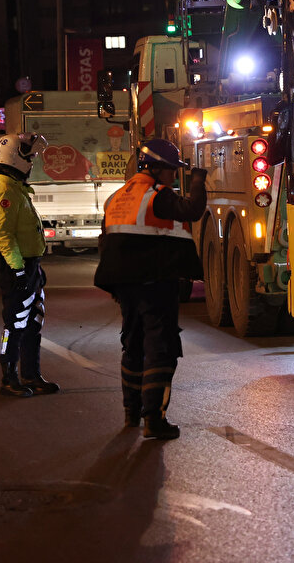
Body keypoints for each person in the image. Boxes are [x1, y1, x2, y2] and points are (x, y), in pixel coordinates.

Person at [94, 139, 206, 440]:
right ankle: (153, 419)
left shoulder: (116, 197)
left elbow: (106, 240)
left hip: (123, 283)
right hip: (155, 281)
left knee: (132, 344)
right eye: (171, 170)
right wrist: (198, 179)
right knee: (162, 348)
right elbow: (193, 210)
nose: (173, 176)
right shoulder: (157, 195)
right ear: (155, 168)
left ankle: (131, 412)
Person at [0, 133, 59, 398]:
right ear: (15, 158)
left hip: (29, 265)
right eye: (29, 156)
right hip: (16, 266)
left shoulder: (16, 188)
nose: (32, 161)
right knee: (15, 324)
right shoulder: (5, 192)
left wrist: (33, 267)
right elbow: (3, 236)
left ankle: (31, 374)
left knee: (33, 321)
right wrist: (18, 269)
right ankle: (9, 378)